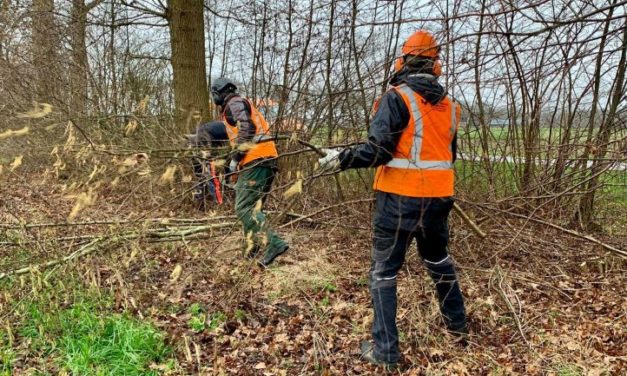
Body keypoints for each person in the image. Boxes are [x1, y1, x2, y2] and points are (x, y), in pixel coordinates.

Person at [318, 30, 467, 368]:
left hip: (400, 199)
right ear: (434, 65)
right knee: (438, 261)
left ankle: (386, 351)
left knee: (384, 273)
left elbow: (379, 150)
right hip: (439, 200)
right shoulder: (451, 106)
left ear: (403, 61)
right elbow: (448, 156)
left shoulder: (396, 97)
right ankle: (458, 328)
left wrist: (341, 159)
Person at [210, 77, 289, 267]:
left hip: (256, 159)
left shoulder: (234, 103)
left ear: (218, 93)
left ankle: (275, 243)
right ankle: (252, 248)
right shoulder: (239, 104)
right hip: (266, 158)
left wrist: (237, 158)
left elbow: (248, 128)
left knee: (243, 208)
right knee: (254, 209)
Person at [187, 121, 230, 209]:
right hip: (202, 141)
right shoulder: (231, 129)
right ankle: (219, 205)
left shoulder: (216, 127)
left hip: (194, 142)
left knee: (200, 175)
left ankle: (199, 204)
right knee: (211, 176)